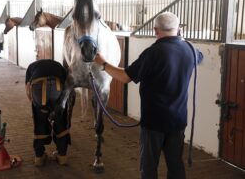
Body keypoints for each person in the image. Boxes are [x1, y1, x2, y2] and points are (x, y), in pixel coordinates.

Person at [95, 12, 203, 179]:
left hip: (154, 121)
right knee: (175, 165)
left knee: (149, 166)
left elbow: (125, 77)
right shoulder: (190, 50)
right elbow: (199, 57)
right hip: (178, 120)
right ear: (178, 29)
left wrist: (103, 63)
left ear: (155, 30)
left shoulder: (152, 53)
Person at [25, 59, 75, 166]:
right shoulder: (58, 65)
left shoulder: (31, 67)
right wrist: (61, 106)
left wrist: (36, 105)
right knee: (60, 119)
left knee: (40, 121)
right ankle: (62, 156)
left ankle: (39, 157)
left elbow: (27, 89)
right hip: (57, 87)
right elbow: (67, 86)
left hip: (37, 87)